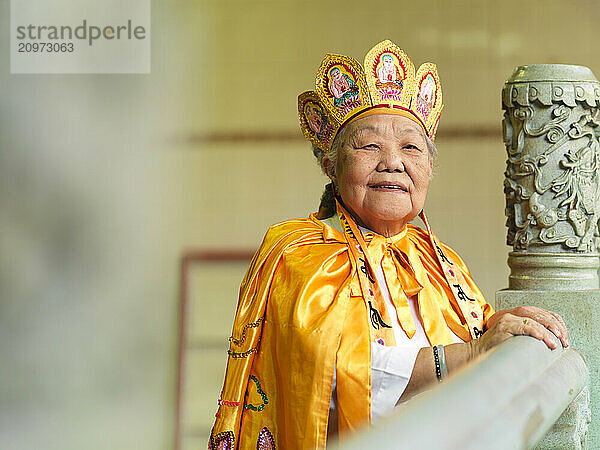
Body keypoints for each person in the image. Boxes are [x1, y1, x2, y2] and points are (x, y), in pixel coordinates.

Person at [208, 40, 568, 450]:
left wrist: (503, 326)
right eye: (369, 145)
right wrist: (472, 352)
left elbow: (473, 334)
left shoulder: (441, 260)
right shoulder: (298, 251)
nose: (392, 162)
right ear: (332, 165)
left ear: (430, 169)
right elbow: (333, 373)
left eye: (411, 147)